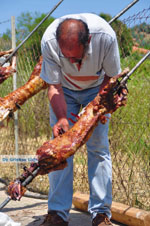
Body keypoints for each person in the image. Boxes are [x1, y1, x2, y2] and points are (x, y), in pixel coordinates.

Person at [40, 13, 121, 226]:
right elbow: (54, 85)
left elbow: (111, 78)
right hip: (64, 90)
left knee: (98, 147)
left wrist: (95, 105)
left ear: (89, 42)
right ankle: (57, 213)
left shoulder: (105, 37)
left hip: (98, 88)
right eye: (67, 58)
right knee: (60, 150)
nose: (73, 64)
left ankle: (101, 214)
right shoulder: (49, 40)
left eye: (77, 58)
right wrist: (61, 118)